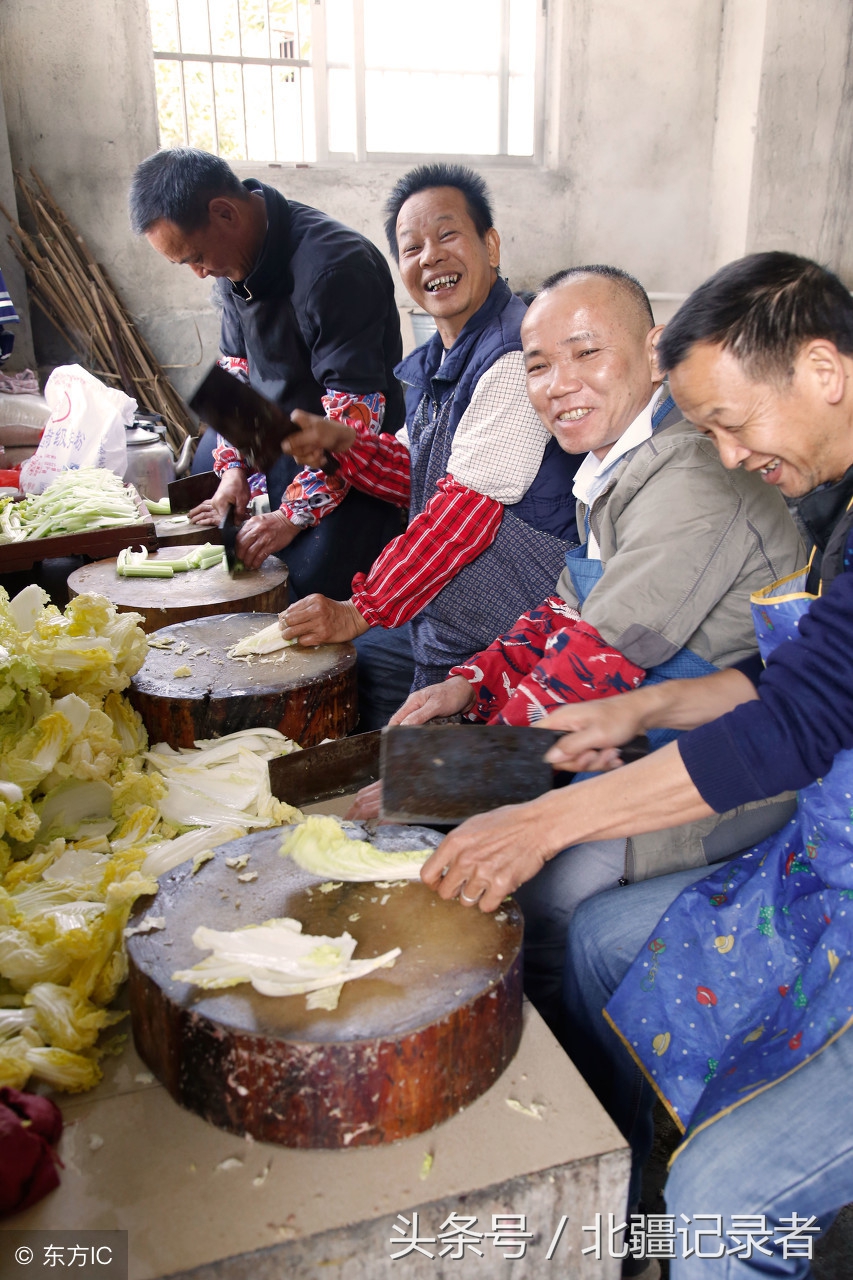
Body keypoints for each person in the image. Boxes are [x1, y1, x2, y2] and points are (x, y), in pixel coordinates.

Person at [428, 252, 853, 1277]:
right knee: (608, 947)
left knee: (731, 1192)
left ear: (822, 371)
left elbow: (794, 722)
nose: (725, 450)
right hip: (828, 849)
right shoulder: (818, 500)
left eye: (731, 421)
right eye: (703, 425)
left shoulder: (694, 489)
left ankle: (699, 1206)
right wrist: (641, 703)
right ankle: (634, 1201)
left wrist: (540, 817)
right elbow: (803, 684)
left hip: (803, 828)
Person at [363, 265, 804, 1030]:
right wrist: (471, 681)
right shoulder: (614, 465)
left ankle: (563, 1071)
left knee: (546, 897)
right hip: (635, 735)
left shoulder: (695, 478)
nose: (558, 384)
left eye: (586, 352)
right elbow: (564, 611)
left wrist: (441, 783)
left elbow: (593, 663)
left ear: (652, 347)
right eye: (538, 364)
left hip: (727, 771)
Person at [277, 165, 583, 725]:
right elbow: (422, 473)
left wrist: (358, 610)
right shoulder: (445, 359)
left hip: (510, 627)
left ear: (490, 246)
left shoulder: (514, 356)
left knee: (413, 749)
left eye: (447, 236)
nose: (430, 258)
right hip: (450, 613)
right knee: (361, 685)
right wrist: (342, 444)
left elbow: (461, 516)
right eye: (411, 247)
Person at [129, 147, 405, 600]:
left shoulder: (336, 269)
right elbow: (235, 370)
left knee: (309, 584)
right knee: (210, 484)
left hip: (341, 450)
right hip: (274, 434)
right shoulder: (231, 258)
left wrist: (288, 517)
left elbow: (354, 425)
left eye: (196, 257)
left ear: (224, 213)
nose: (199, 273)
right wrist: (234, 470)